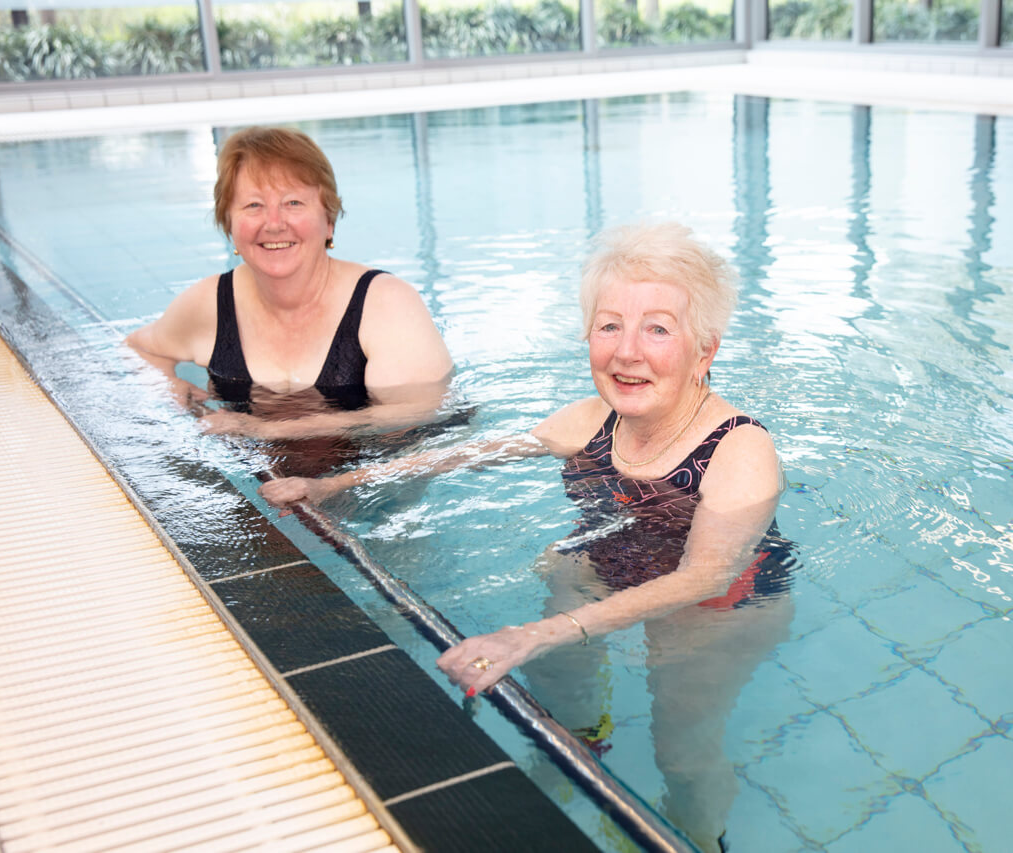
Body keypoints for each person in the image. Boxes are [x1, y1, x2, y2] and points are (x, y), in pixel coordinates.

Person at [261, 222, 794, 850]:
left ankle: (697, 839)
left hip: (718, 605)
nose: (627, 352)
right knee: (563, 585)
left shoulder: (739, 449)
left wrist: (530, 635)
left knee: (681, 749)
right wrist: (331, 485)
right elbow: (474, 453)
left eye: (657, 329)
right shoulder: (592, 419)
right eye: (609, 326)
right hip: (615, 563)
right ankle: (581, 736)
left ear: (704, 351)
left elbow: (704, 575)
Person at [125, 125, 454, 443]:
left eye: (293, 203)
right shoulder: (209, 303)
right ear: (229, 224)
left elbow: (419, 418)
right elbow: (138, 348)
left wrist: (271, 430)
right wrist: (167, 384)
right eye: (253, 205)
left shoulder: (385, 305)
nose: (274, 224)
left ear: (328, 219)